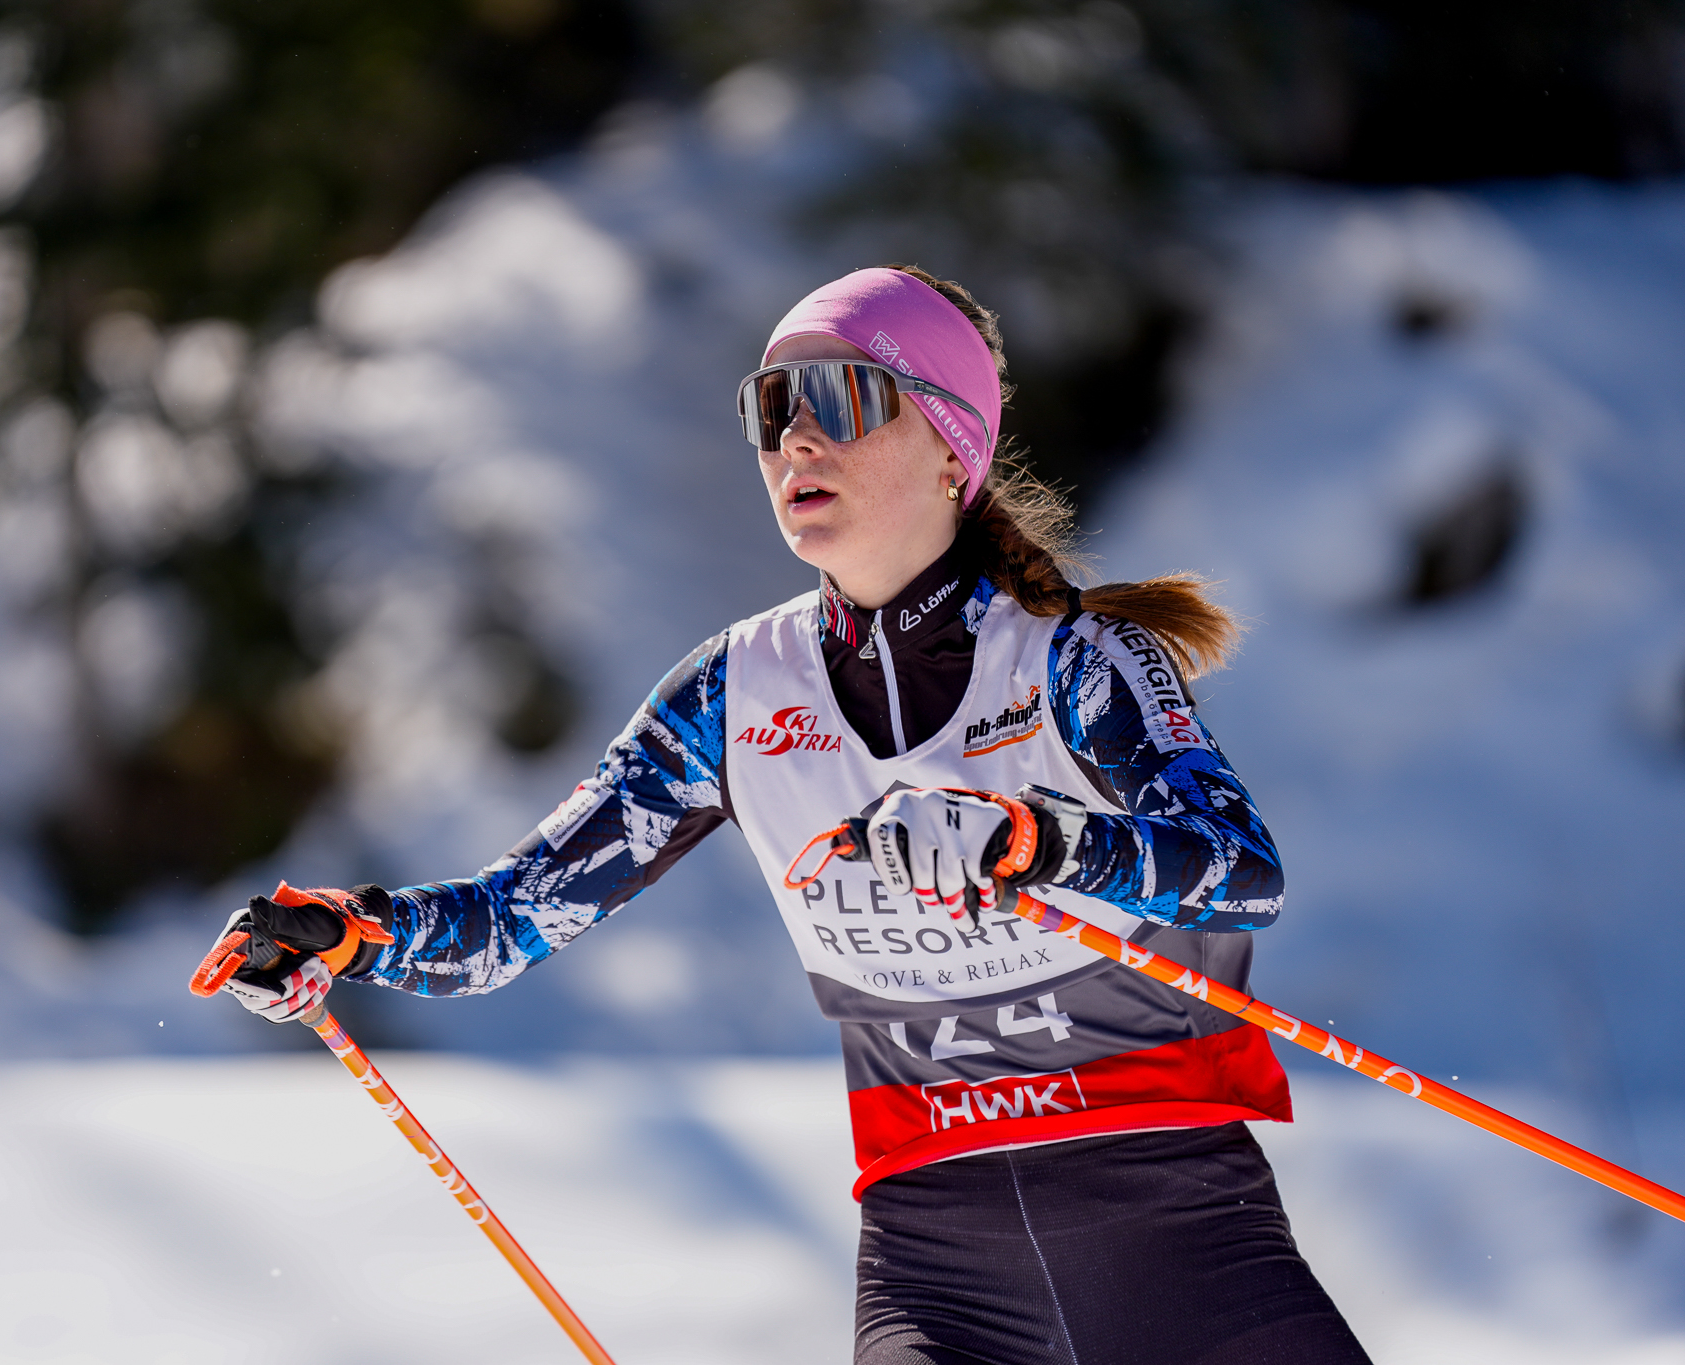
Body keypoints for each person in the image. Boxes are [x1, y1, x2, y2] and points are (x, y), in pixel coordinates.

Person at [206, 266, 1371, 1365]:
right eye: (771, 409)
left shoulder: (1074, 659)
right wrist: (348, 933)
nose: (796, 440)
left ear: (948, 444)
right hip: (941, 1278)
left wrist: (1034, 840)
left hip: (1181, 1246)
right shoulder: (733, 695)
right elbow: (511, 919)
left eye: (842, 399)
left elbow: (1238, 871)